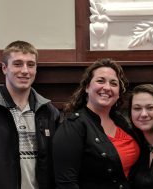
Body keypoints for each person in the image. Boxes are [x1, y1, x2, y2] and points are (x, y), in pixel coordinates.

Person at [0, 40, 60, 189]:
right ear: (4, 68)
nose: (25, 70)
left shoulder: (49, 112)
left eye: (31, 65)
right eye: (18, 64)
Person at [53, 58, 141, 189]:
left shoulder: (121, 121)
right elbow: (66, 184)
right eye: (100, 81)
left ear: (118, 93)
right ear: (87, 87)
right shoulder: (73, 126)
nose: (107, 87)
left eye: (113, 83)